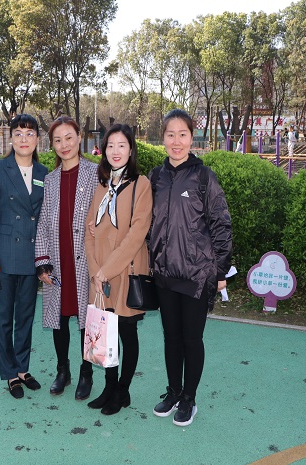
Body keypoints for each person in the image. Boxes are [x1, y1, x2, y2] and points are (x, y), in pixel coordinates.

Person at [149, 109, 232, 427]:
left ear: (191, 137)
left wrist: (220, 271)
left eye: (182, 134)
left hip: (197, 275)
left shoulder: (204, 177)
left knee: (191, 339)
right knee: (171, 337)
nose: (176, 141)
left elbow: (222, 225)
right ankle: (173, 392)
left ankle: (189, 398)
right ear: (163, 138)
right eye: (170, 134)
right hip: (164, 274)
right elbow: (144, 224)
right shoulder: (155, 177)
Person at [84, 124, 152, 415]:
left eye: (121, 145)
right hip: (100, 272)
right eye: (110, 145)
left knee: (126, 331)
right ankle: (109, 387)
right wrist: (95, 271)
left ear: (131, 149)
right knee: (105, 331)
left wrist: (106, 271)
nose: (115, 151)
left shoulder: (141, 184)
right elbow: (89, 232)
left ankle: (123, 391)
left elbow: (137, 234)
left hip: (125, 269)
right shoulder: (101, 185)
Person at [0, 114, 48, 399]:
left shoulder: (44, 172)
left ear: (37, 140)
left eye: (29, 134)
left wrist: (45, 259)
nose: (24, 139)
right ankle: (10, 373)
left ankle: (22, 368)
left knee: (25, 317)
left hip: (31, 257)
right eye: (18, 133)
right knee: (4, 318)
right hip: (3, 258)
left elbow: (45, 218)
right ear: (10, 138)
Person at [35, 115, 98, 400]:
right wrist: (42, 262)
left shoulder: (95, 173)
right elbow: (43, 223)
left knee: (86, 319)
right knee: (58, 317)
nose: (64, 145)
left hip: (86, 261)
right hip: (58, 259)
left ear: (79, 137)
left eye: (69, 138)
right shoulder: (50, 180)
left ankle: (87, 372)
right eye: (58, 140)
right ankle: (63, 370)